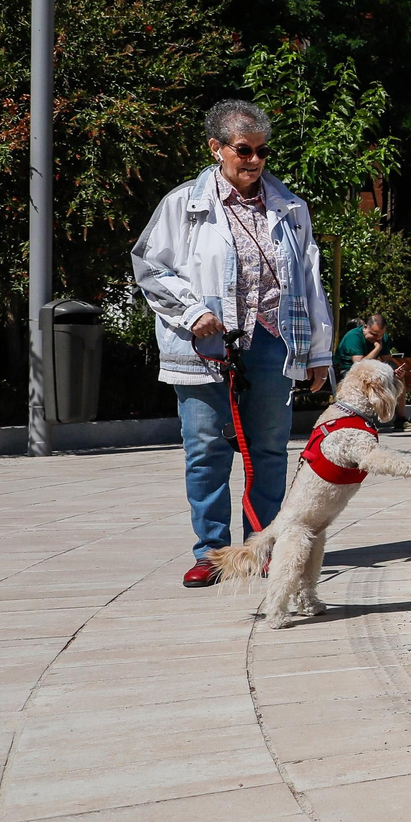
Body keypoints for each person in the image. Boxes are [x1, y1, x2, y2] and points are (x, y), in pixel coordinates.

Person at [132, 99, 333, 588]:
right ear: (216, 148)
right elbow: (148, 266)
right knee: (206, 451)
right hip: (205, 345)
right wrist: (192, 311)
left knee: (268, 450)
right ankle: (213, 553)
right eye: (244, 150)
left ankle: (263, 549)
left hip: (271, 342)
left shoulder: (290, 207)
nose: (255, 161)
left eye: (262, 151)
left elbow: (309, 281)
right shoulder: (183, 204)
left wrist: (319, 353)